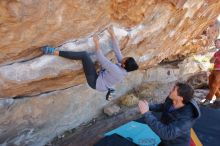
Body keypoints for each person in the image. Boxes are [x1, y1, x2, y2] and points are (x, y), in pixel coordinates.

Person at [42, 26, 139, 100]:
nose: (124, 57)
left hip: (95, 82)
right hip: (104, 79)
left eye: (125, 58)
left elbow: (100, 57)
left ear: (124, 64)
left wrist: (96, 43)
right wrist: (112, 34)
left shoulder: (117, 69)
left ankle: (53, 52)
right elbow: (117, 51)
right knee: (104, 64)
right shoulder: (124, 67)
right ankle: (106, 80)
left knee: (84, 55)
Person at [202, 39, 220, 105]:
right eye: (215, 43)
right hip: (214, 70)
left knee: (214, 85)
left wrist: (216, 59)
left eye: (217, 43)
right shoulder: (216, 53)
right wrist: (214, 58)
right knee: (210, 83)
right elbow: (211, 61)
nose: (215, 44)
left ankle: (208, 99)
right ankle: (218, 97)